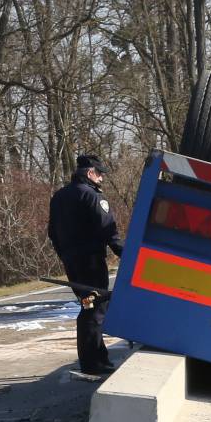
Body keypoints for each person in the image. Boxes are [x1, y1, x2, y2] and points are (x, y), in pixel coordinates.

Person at [47, 153, 122, 376]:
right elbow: (108, 230)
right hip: (90, 262)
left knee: (88, 306)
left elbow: (53, 233)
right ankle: (93, 363)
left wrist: (66, 256)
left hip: (73, 263)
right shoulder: (92, 196)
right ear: (90, 173)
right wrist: (125, 254)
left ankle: (97, 357)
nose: (101, 179)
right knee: (95, 308)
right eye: (99, 174)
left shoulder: (59, 197)